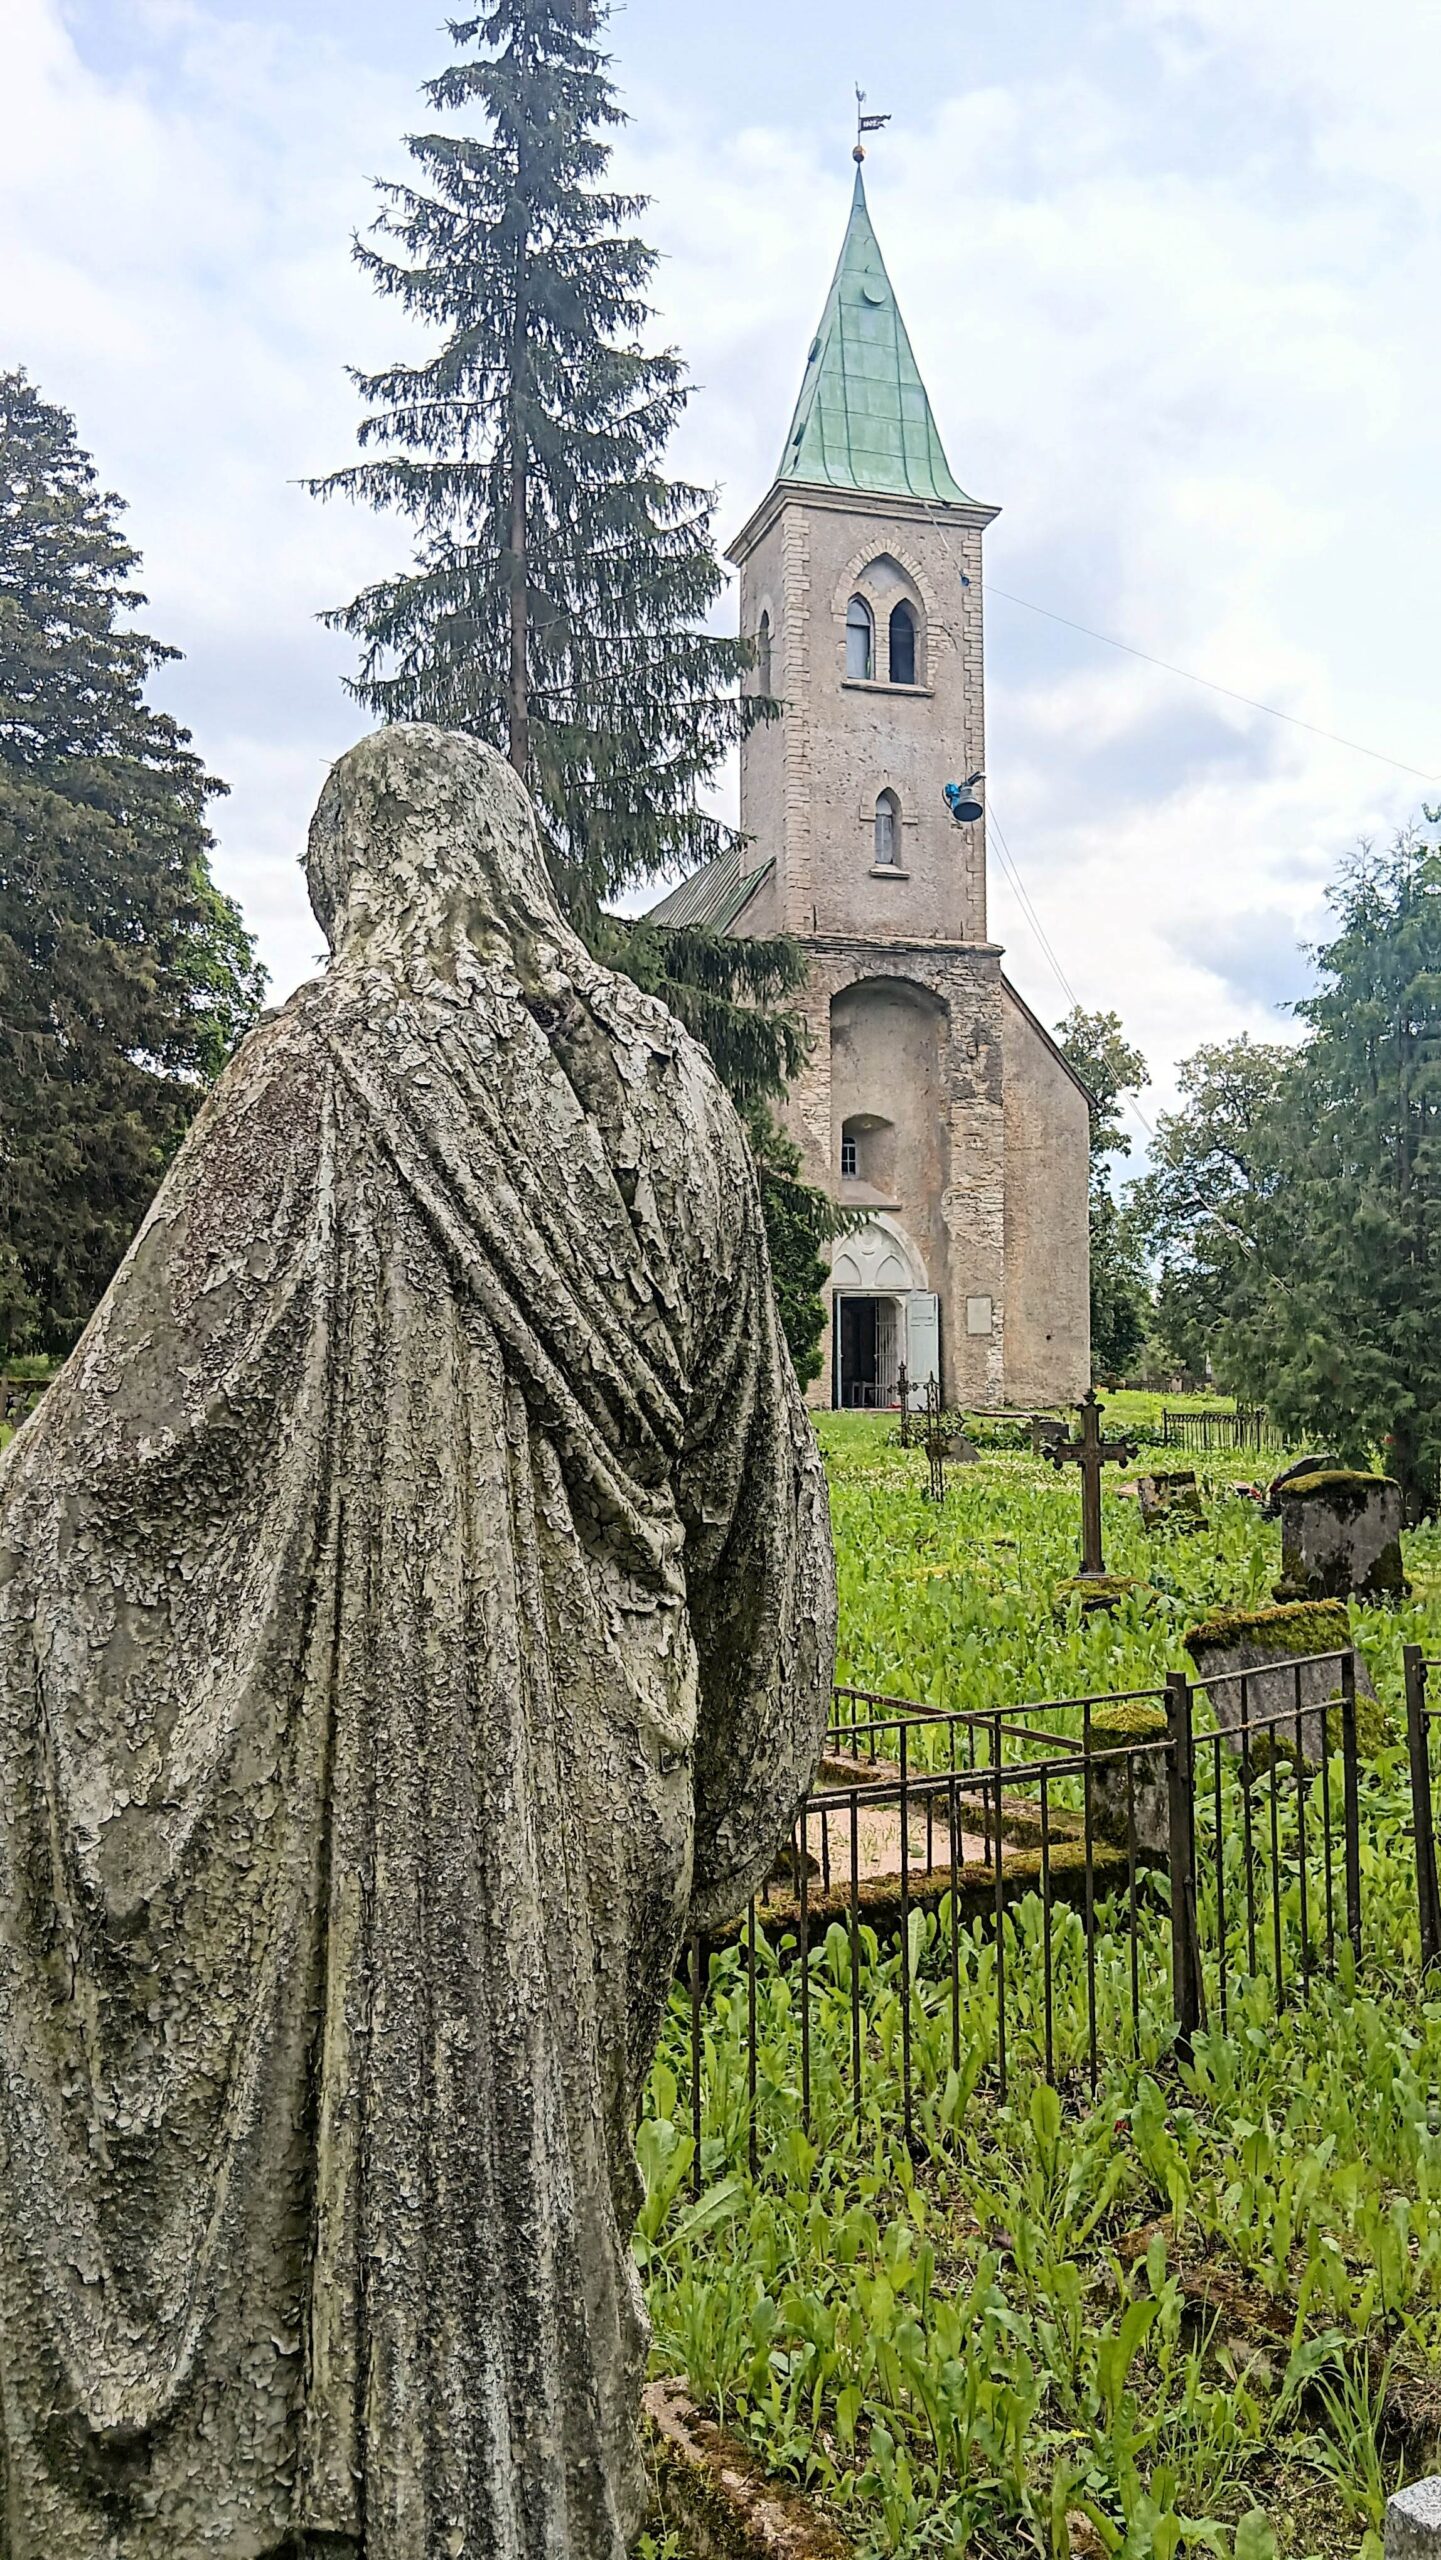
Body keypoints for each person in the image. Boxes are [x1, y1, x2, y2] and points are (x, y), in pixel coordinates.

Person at [0, 725, 835, 2560]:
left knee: (410, 2188)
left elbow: (102, 1468)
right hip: (612, 1772)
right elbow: (761, 1507)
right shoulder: (675, 1084)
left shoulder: (318, 1066)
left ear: (361, 872)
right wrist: (734, 1801)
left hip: (399, 1803)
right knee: (550, 2192)